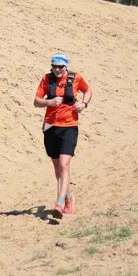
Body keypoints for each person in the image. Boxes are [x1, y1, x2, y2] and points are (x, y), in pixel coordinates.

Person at [33, 53, 91, 218]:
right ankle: (69, 198)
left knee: (65, 164)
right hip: (50, 127)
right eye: (54, 66)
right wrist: (49, 102)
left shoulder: (76, 78)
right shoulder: (46, 79)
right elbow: (36, 101)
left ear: (66, 66)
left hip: (69, 126)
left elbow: (88, 90)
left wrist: (84, 104)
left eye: (60, 66)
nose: (57, 69)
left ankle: (59, 202)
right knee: (57, 166)